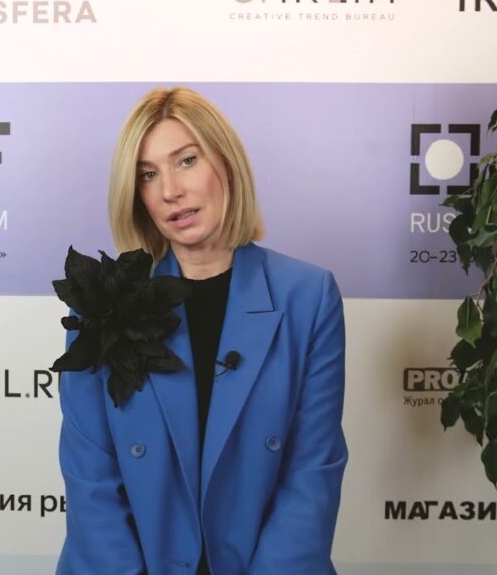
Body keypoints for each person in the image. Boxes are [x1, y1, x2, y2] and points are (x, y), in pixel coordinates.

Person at [56, 86, 347, 574]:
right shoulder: (100, 305)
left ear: (225, 163)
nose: (170, 190)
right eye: (148, 175)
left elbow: (311, 472)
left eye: (186, 161)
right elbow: (91, 481)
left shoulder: (308, 297)